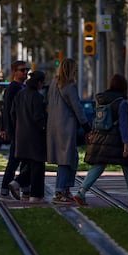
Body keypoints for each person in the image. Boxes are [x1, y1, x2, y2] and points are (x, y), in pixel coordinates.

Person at [75, 74, 128, 206]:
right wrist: (126, 143)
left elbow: (97, 120)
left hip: (100, 139)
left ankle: (81, 192)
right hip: (117, 141)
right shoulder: (122, 103)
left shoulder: (101, 101)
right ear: (124, 87)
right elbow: (124, 125)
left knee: (99, 165)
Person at [46, 57, 89, 204]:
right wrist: (85, 125)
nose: (76, 72)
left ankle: (65, 189)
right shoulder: (69, 86)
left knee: (68, 159)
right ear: (71, 70)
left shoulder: (53, 83)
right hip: (66, 127)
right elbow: (77, 106)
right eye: (75, 69)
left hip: (53, 126)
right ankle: (60, 190)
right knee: (66, 160)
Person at [13, 70, 48, 203]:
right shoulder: (37, 97)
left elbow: (13, 113)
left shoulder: (20, 95)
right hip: (35, 136)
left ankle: (17, 183)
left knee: (29, 164)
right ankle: (35, 195)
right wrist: (44, 127)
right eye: (42, 82)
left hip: (21, 135)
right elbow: (38, 117)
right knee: (38, 164)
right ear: (38, 82)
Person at [0, 60, 31, 198]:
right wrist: (5, 128)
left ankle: (24, 187)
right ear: (14, 72)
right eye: (22, 70)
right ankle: (6, 188)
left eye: (26, 70)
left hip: (22, 130)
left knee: (23, 159)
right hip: (17, 130)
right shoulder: (13, 88)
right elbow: (6, 109)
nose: (25, 73)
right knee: (14, 160)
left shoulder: (22, 87)